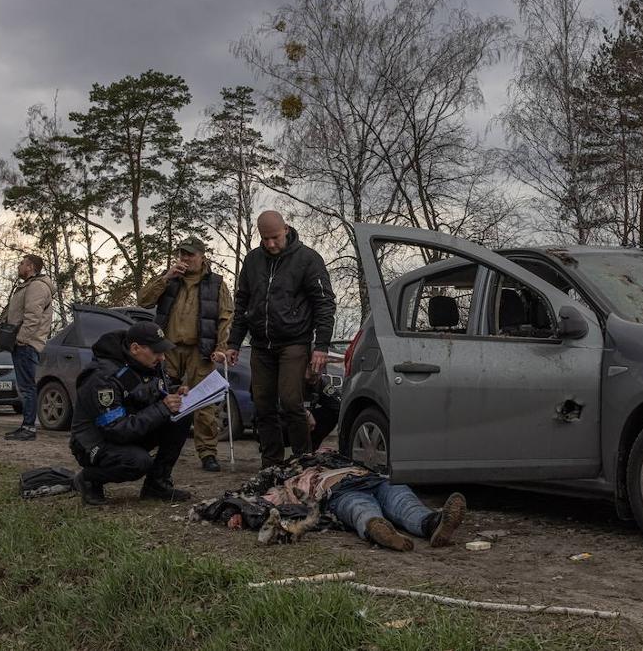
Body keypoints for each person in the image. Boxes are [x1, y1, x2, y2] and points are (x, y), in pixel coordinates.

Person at [227, 211, 336, 468]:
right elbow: (242, 302)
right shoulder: (253, 260)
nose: (271, 244)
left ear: (286, 229)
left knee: (290, 402)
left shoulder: (308, 259)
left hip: (294, 341)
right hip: (261, 344)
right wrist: (233, 343)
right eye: (265, 239)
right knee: (262, 404)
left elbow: (324, 303)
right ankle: (271, 462)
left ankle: (302, 460)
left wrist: (321, 345)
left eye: (275, 237)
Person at [199, 449, 467, 551]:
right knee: (365, 506)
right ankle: (380, 528)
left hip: (367, 479)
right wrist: (235, 513)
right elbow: (247, 496)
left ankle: (433, 524)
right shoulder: (281, 477)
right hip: (336, 492)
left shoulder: (334, 456)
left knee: (399, 499)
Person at [68, 321, 193, 506]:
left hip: (127, 429)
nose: (163, 357)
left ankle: (156, 485)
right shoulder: (104, 378)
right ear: (135, 348)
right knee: (138, 462)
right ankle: (89, 478)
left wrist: (174, 392)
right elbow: (116, 430)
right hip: (94, 442)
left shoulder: (146, 364)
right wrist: (162, 408)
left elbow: (148, 392)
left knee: (181, 416)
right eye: (157, 352)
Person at [137, 236, 234, 472]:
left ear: (202, 257)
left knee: (204, 402)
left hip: (200, 350)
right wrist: (166, 278)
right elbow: (143, 300)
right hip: (168, 349)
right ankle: (149, 446)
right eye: (182, 254)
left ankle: (208, 453)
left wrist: (221, 347)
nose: (186, 258)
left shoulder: (217, 283)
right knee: (159, 396)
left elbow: (226, 317)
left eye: (190, 254)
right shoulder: (168, 279)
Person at [3, 254, 55, 441]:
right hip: (24, 343)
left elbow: (33, 316)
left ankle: (28, 428)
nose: (19, 266)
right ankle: (26, 425)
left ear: (31, 266)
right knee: (25, 386)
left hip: (27, 344)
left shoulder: (37, 287)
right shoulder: (31, 285)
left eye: (21, 263)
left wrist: (22, 339)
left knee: (27, 387)